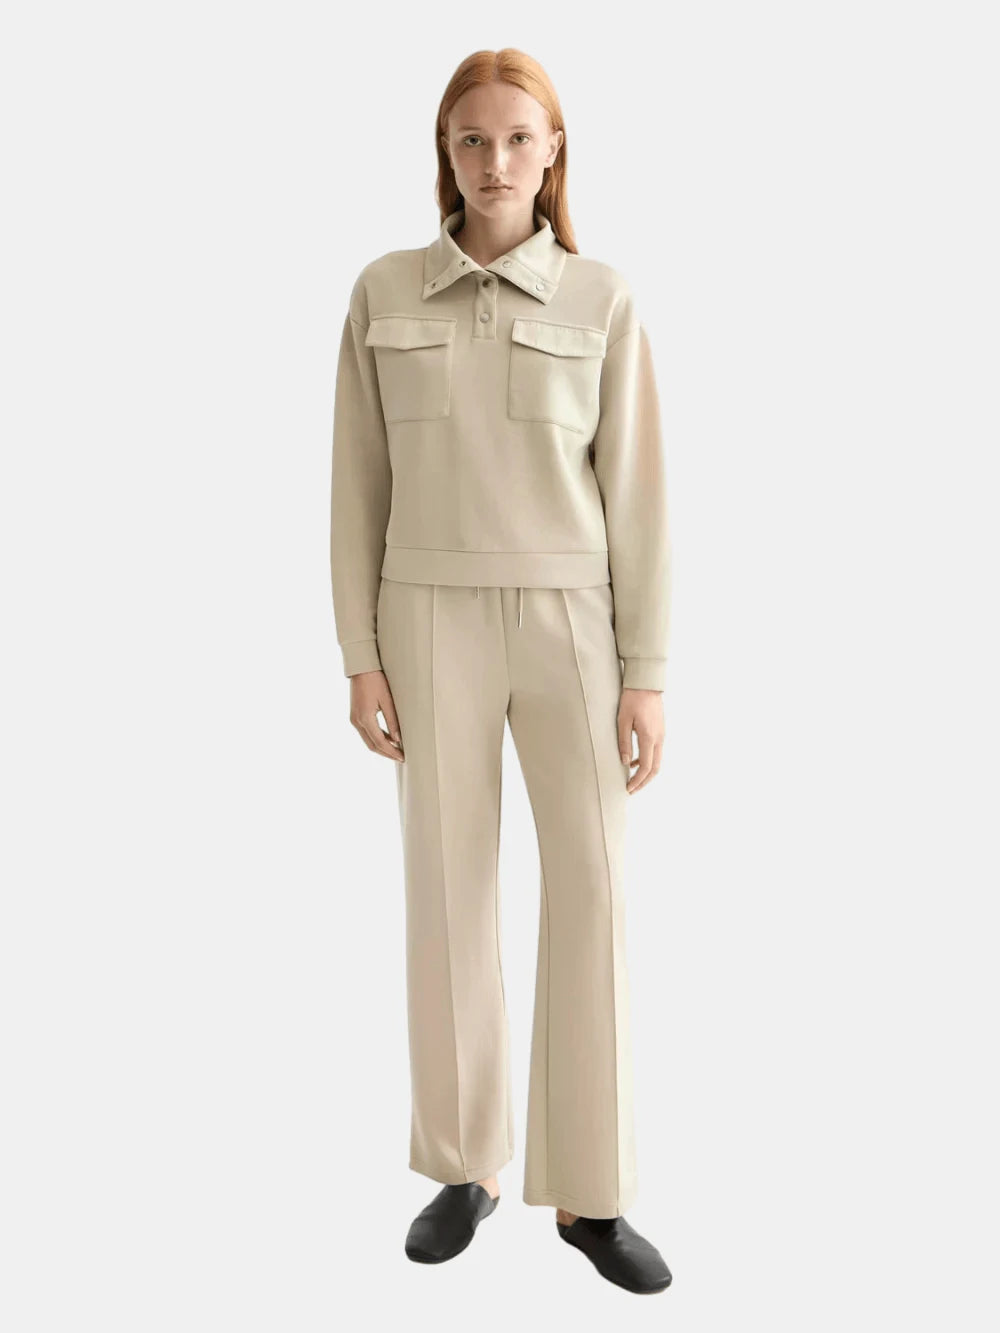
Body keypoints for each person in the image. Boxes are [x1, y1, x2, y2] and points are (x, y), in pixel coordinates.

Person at [329, 48, 673, 1296]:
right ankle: (463, 1166)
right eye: (471, 139)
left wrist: (645, 670)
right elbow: (355, 482)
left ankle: (591, 1191)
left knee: (593, 892)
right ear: (445, 150)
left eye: (519, 138)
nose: (494, 162)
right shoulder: (384, 291)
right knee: (446, 894)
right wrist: (360, 655)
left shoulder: (600, 298)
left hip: (572, 621)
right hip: (425, 617)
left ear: (553, 151)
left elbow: (638, 494)